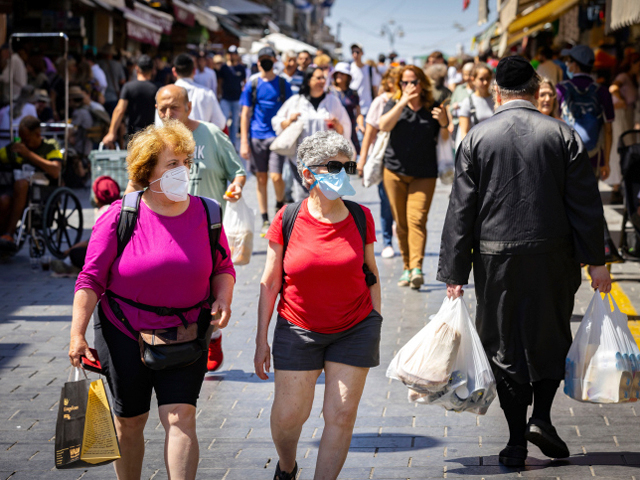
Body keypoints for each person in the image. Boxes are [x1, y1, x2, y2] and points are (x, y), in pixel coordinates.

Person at [437, 56, 612, 468]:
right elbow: (585, 205)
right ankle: (543, 419)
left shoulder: (477, 138)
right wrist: (597, 261)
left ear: (497, 93)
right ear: (536, 92)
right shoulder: (563, 135)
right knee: (550, 336)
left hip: (496, 258)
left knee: (503, 344)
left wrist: (454, 273)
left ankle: (516, 441)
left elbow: (461, 209)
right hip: (553, 254)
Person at [69, 120, 236, 480]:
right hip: (122, 332)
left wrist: (223, 297)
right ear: (148, 172)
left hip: (186, 332)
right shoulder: (119, 216)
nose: (183, 171)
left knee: (181, 416)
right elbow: (91, 278)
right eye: (172, 164)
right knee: (130, 421)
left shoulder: (208, 213)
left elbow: (223, 265)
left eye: (185, 163)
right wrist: (77, 334)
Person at [255, 130, 381, 480]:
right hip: (298, 328)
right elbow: (269, 283)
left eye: (347, 166)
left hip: (355, 328)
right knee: (288, 416)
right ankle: (286, 467)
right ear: (308, 173)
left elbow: (371, 274)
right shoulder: (287, 218)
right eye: (334, 167)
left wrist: (376, 321)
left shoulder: (361, 217)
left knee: (341, 415)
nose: (343, 173)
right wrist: (260, 339)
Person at [124, 84, 245, 373]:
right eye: (161, 108)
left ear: (189, 108)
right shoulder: (152, 141)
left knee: (206, 279)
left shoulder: (212, 135)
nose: (167, 113)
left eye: (173, 108)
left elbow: (237, 172)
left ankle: (210, 335)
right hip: (162, 225)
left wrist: (236, 187)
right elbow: (134, 183)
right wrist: (124, 212)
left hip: (205, 224)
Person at [378, 65, 449, 289]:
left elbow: (445, 137)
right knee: (400, 222)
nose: (409, 86)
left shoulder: (433, 107)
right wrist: (401, 102)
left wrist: (445, 122)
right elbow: (383, 125)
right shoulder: (393, 104)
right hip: (394, 172)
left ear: (422, 83)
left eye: (414, 82)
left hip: (424, 174)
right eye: (405, 83)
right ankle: (407, 268)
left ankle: (417, 268)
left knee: (416, 219)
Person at [272, 67, 351, 203]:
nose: (322, 81)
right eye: (318, 78)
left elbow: (345, 129)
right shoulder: (296, 101)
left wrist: (337, 124)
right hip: (303, 161)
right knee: (305, 199)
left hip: (329, 161)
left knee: (331, 198)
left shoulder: (332, 101)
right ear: (309, 80)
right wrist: (290, 120)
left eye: (323, 78)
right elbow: (277, 123)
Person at [240, 47, 293, 234]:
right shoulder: (252, 83)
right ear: (258, 61)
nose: (265, 62)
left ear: (274, 60)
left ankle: (279, 206)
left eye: (268, 58)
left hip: (277, 137)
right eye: (262, 59)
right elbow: (245, 113)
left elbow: (292, 108)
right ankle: (264, 218)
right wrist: (244, 142)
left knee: (276, 176)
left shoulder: (282, 84)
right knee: (261, 178)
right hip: (256, 136)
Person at [0, 116, 62, 250]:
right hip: (13, 191)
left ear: (37, 134)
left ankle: (9, 234)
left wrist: (28, 155)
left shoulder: (49, 147)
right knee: (4, 200)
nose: (23, 143)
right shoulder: (15, 148)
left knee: (21, 184)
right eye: (21, 139)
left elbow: (55, 170)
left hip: (39, 193)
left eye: (26, 139)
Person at [357, 67, 398, 259]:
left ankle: (398, 229)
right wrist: (362, 158)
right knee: (385, 200)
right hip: (383, 157)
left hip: (405, 158)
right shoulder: (379, 102)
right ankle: (387, 241)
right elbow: (370, 132)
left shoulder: (410, 101)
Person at [557, 45, 615, 180]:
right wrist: (606, 163)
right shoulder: (602, 91)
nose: (567, 65)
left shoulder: (561, 89)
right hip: (594, 156)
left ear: (575, 65)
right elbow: (608, 130)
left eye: (569, 61)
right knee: (590, 197)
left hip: (566, 158)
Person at [51, 175, 121, 275]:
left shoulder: (102, 212)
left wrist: (70, 250)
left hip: (107, 257)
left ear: (97, 198)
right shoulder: (119, 207)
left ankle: (73, 266)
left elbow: (94, 242)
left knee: (76, 254)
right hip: (119, 255)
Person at [103, 55, 158, 147]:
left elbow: (120, 110)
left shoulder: (128, 87)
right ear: (152, 70)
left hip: (133, 136)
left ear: (136, 69)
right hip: (152, 136)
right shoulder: (157, 88)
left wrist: (111, 132)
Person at [607, 53, 640, 201]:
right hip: (621, 117)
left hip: (628, 117)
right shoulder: (623, 76)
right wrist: (622, 101)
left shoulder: (632, 79)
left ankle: (624, 186)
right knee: (621, 149)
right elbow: (613, 88)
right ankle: (617, 186)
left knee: (629, 150)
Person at [164, 54, 225, 130]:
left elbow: (159, 125)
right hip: (202, 139)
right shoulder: (207, 93)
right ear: (194, 70)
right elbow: (220, 123)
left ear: (174, 71)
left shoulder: (164, 95)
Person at [456, 62, 495, 147]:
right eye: (481, 79)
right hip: (477, 150)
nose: (485, 82)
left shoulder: (496, 100)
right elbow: (464, 133)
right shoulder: (468, 102)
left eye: (487, 78)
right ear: (473, 80)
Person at [218, 46, 248, 150]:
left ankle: (233, 143)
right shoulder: (224, 68)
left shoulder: (241, 68)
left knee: (235, 122)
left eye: (233, 53)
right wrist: (219, 95)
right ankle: (223, 142)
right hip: (226, 98)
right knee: (223, 120)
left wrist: (244, 97)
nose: (231, 56)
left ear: (236, 55)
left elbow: (245, 83)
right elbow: (219, 83)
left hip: (237, 99)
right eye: (230, 53)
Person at [330, 62, 363, 152]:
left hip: (350, 129)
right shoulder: (329, 92)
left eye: (342, 73)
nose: (339, 75)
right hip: (333, 129)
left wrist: (360, 125)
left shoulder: (353, 93)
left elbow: (358, 113)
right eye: (337, 73)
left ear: (348, 77)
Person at [349, 43, 380, 116]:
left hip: (367, 107)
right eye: (353, 52)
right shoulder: (349, 69)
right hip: (353, 107)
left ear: (362, 53)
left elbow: (374, 88)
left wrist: (376, 106)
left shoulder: (370, 69)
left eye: (357, 52)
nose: (355, 54)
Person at [448, 61, 474, 145]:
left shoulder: (479, 90)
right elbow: (450, 107)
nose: (467, 77)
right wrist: (451, 123)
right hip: (457, 125)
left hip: (474, 126)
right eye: (465, 74)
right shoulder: (459, 89)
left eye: (469, 74)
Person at [98, 44, 126, 115]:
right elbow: (122, 80)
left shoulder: (98, 64)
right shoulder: (118, 65)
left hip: (100, 97)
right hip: (113, 97)